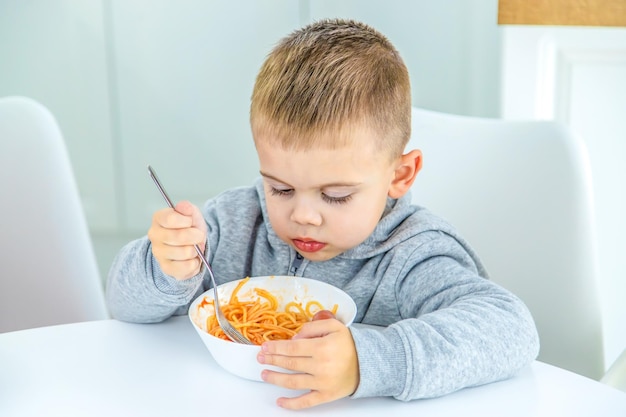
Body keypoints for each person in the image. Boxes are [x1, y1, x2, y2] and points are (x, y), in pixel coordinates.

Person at [106, 18, 539, 410]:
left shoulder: (413, 255)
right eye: (280, 188)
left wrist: (367, 361)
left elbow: (511, 330)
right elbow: (123, 306)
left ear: (400, 175)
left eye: (335, 195)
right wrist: (165, 267)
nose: (304, 215)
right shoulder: (239, 222)